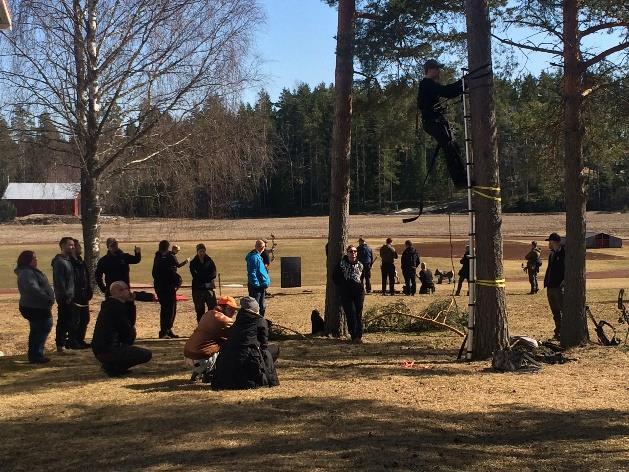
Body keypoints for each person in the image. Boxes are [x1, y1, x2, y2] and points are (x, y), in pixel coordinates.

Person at [417, 59, 467, 188]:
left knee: (452, 146)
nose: (439, 71)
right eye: (437, 69)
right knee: (450, 147)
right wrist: (464, 82)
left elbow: (448, 91)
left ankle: (461, 179)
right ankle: (460, 181)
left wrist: (463, 83)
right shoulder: (427, 84)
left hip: (433, 122)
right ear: (430, 70)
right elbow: (447, 92)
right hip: (433, 122)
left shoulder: (428, 85)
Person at [212, 297, 279, 390]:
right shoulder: (260, 321)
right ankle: (261, 372)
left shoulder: (237, 321)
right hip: (249, 358)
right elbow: (264, 344)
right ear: (256, 308)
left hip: (228, 362)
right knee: (274, 349)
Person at [91, 281, 152, 377]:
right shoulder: (116, 308)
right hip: (108, 350)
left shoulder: (111, 305)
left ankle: (112, 365)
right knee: (146, 354)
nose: (130, 292)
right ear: (119, 292)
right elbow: (128, 329)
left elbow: (128, 324)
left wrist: (131, 304)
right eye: (127, 290)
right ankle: (113, 368)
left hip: (101, 350)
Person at [184, 296, 238, 382]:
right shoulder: (225, 321)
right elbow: (235, 337)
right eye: (232, 309)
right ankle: (209, 373)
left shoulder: (207, 314)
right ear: (225, 308)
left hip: (188, 355)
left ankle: (198, 372)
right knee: (228, 349)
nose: (234, 313)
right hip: (201, 358)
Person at [15, 251, 55, 363]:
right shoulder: (27, 273)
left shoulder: (28, 271)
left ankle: (35, 355)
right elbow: (33, 288)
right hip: (35, 307)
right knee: (43, 327)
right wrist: (47, 297)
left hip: (35, 306)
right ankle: (37, 355)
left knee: (36, 330)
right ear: (27, 260)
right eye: (34, 258)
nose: (36, 260)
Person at [52, 236, 80, 352]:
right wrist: (65, 296)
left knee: (70, 321)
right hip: (64, 298)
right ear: (63, 245)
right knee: (63, 321)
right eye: (70, 245)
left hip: (71, 296)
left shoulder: (69, 260)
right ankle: (60, 345)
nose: (72, 247)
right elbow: (59, 281)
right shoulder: (59, 262)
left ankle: (67, 343)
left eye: (73, 245)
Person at [332, 245, 365, 343]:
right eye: (351, 251)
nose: (353, 253)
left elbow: (362, 278)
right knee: (351, 313)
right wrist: (344, 284)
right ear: (347, 253)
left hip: (358, 292)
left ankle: (359, 335)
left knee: (358, 314)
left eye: (355, 251)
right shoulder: (341, 264)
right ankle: (354, 336)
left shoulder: (360, 265)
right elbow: (334, 277)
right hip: (346, 293)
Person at [152, 240, 180, 339]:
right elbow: (157, 273)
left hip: (165, 286)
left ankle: (168, 329)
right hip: (164, 286)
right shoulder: (162, 258)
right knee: (166, 309)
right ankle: (164, 331)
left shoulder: (159, 257)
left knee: (171, 309)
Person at [71, 239, 93, 348]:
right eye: (79, 246)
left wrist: (89, 289)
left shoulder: (81, 261)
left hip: (84, 295)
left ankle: (80, 340)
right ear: (74, 248)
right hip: (75, 296)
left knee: (85, 318)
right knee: (75, 320)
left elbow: (86, 277)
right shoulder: (70, 263)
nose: (81, 248)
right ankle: (73, 341)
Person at [543, 232, 565, 340]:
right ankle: (558, 332)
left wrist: (563, 283)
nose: (549, 244)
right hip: (550, 287)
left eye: (550, 241)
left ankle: (564, 332)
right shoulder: (552, 254)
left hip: (559, 287)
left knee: (562, 310)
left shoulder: (564, 253)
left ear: (555, 242)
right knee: (555, 312)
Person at [189, 243, 218, 322]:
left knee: (212, 309)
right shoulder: (193, 263)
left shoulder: (210, 261)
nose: (202, 253)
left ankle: (211, 326)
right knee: (200, 310)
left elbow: (213, 273)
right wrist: (205, 278)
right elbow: (195, 276)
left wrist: (206, 279)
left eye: (203, 251)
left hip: (209, 288)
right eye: (200, 251)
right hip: (198, 289)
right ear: (197, 252)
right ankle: (201, 327)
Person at [245, 240, 271, 317]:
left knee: (262, 306)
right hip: (256, 287)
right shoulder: (253, 257)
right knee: (255, 306)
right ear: (262, 247)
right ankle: (255, 322)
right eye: (263, 247)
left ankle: (260, 321)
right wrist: (256, 284)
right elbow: (252, 273)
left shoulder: (258, 256)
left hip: (261, 285)